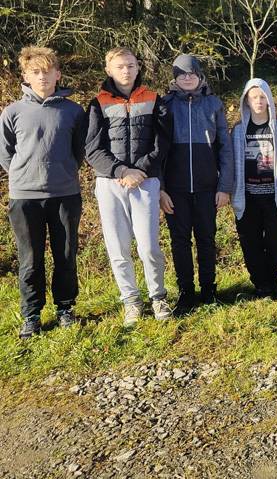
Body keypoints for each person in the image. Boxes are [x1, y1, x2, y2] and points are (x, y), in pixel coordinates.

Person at [1, 46, 87, 338]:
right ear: (25, 76)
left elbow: (79, 151)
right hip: (24, 198)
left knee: (65, 254)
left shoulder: (74, 111)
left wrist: (61, 172)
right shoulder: (12, 112)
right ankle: (32, 315)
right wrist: (24, 175)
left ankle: (65, 309)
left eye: (47, 72)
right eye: (35, 73)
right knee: (30, 258)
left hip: (65, 194)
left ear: (58, 75)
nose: (42, 78)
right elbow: (5, 154)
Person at [86, 47, 173, 326]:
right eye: (120, 66)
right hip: (110, 183)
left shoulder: (153, 99)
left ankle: (158, 297)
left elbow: (163, 144)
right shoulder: (97, 103)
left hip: (146, 181)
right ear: (108, 69)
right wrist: (121, 170)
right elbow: (92, 149)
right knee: (118, 247)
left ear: (138, 68)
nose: (126, 71)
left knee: (148, 247)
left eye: (131, 66)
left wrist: (140, 171)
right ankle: (131, 301)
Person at [160, 54, 234, 311]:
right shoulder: (165, 105)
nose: (187, 77)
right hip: (175, 189)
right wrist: (160, 189)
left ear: (200, 76)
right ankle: (185, 292)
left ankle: (209, 290)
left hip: (206, 187)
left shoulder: (213, 104)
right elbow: (158, 150)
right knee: (179, 241)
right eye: (182, 74)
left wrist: (224, 186)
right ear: (175, 78)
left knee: (206, 238)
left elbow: (225, 147)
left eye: (192, 73)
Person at [231, 78, 277, 299]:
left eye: (262, 97)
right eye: (253, 98)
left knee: (274, 242)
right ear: (246, 101)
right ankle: (260, 285)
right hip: (247, 197)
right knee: (250, 242)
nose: (258, 101)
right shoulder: (239, 130)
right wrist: (234, 192)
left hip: (273, 196)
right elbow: (231, 164)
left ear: (269, 99)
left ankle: (272, 281)